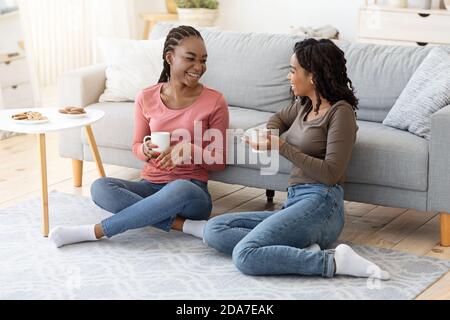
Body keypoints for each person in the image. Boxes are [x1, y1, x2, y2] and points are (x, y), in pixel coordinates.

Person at [193, 38, 390, 280]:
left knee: (245, 255)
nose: (289, 76)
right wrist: (268, 134)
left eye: (293, 70)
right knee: (215, 229)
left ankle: (334, 262)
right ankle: (297, 249)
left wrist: (280, 146)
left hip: (322, 204)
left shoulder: (341, 113)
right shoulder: (305, 105)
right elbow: (277, 118)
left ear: (313, 77)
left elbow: (331, 173)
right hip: (295, 202)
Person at [49, 26, 229, 248]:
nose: (199, 67)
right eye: (190, 59)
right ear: (170, 58)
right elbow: (136, 145)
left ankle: (94, 231)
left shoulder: (214, 101)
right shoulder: (146, 97)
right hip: (150, 184)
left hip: (191, 191)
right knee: (100, 187)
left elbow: (219, 160)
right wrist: (145, 150)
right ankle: (186, 226)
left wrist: (190, 149)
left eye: (203, 60)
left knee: (179, 187)